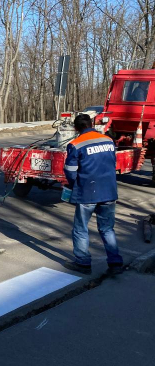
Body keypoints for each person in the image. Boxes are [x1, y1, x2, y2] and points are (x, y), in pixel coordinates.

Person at [63, 114, 123, 275]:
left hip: (87, 192)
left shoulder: (75, 144)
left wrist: (74, 185)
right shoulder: (108, 140)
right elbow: (111, 162)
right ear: (92, 124)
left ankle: (83, 263)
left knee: (81, 229)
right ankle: (115, 263)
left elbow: (70, 170)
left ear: (76, 128)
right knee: (107, 229)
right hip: (109, 190)